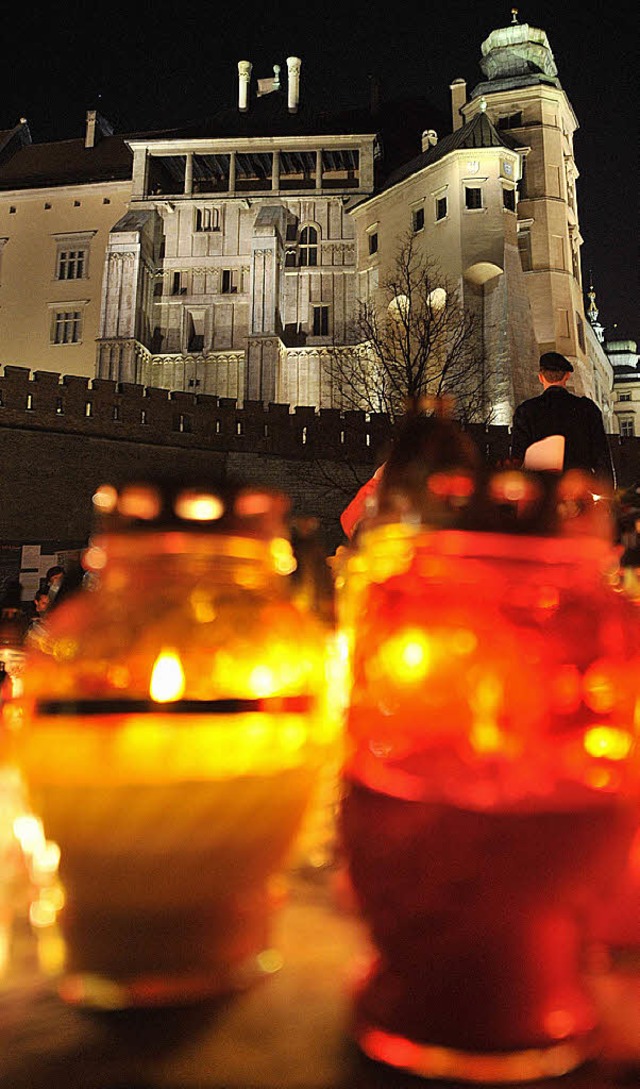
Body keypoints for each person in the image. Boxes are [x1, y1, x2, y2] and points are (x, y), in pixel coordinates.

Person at [510, 352, 615, 486]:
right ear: (567, 376)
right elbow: (601, 456)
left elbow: (518, 457)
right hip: (579, 488)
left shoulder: (526, 411)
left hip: (542, 490)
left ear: (541, 378)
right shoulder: (587, 409)